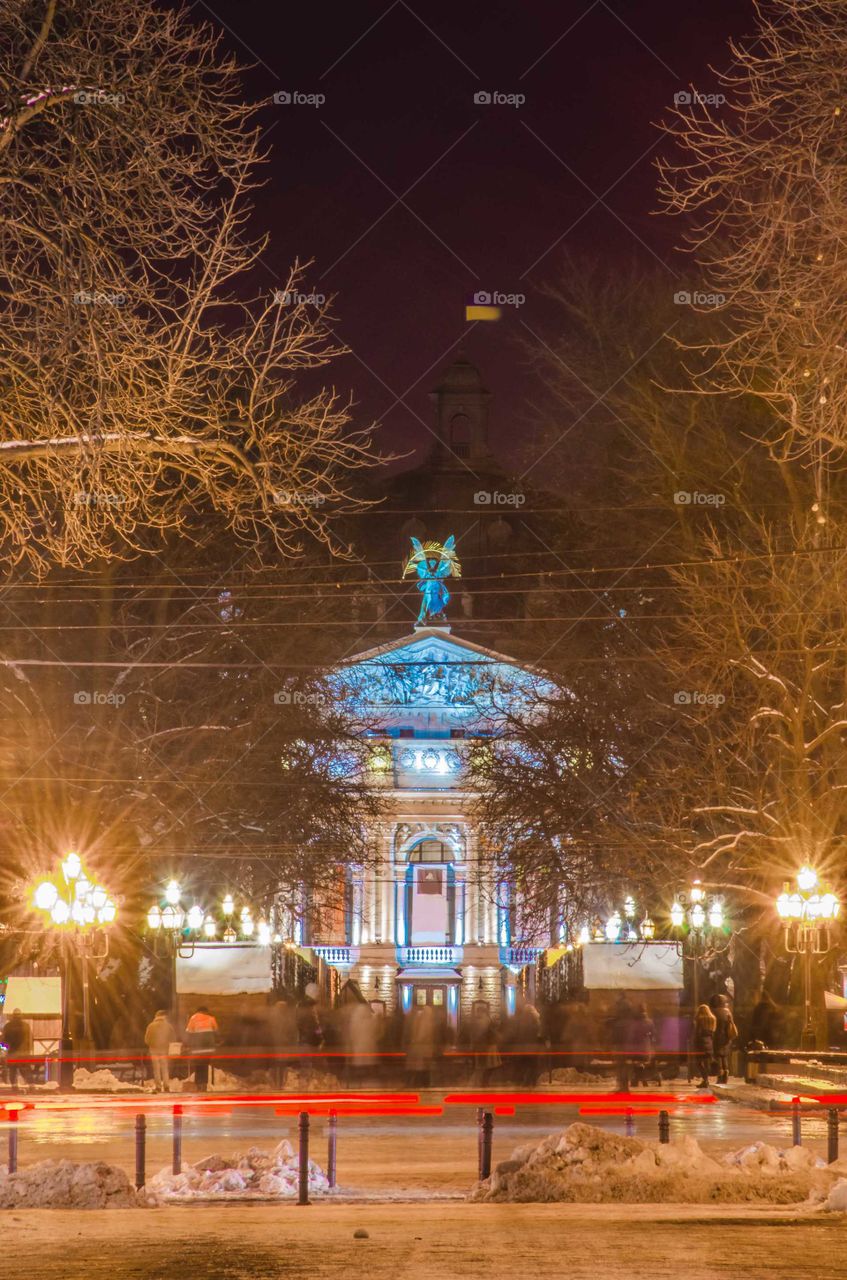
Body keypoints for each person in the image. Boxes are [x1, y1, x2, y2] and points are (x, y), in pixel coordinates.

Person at [185, 1005, 219, 1092]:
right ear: (206, 1011)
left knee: (198, 1066)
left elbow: (188, 1033)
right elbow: (216, 1032)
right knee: (205, 1066)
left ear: (198, 1011)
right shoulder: (211, 1018)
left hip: (197, 1048)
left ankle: (198, 1085)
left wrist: (187, 1045)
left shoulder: (193, 1018)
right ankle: (204, 1085)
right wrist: (216, 1043)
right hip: (208, 1048)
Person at [609, 994, 635, 1092]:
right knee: (624, 1067)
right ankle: (624, 1087)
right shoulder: (629, 1021)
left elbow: (616, 1036)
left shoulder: (620, 1023)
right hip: (627, 1047)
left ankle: (622, 1087)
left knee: (621, 1067)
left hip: (620, 1046)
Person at [144, 1009, 175, 1092]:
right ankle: (166, 1086)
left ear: (156, 1016)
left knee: (156, 1069)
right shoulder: (168, 1026)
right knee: (165, 1068)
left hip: (154, 1050)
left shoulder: (151, 1026)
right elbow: (173, 1038)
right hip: (164, 1050)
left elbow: (146, 1040)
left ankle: (158, 1086)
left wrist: (152, 1044)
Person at [710, 994, 738, 1084]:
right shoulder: (727, 1012)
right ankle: (725, 1074)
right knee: (724, 1056)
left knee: (718, 1056)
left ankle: (720, 1075)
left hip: (717, 1037)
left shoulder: (714, 1012)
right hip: (726, 1038)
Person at [1, 1009, 32, 1091]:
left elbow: (4, 1040)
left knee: (13, 1070)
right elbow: (30, 1039)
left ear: (13, 1015)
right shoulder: (26, 1025)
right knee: (25, 1070)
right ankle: (31, 1085)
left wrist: (3, 1051)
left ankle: (14, 1086)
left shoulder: (8, 1026)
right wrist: (30, 1050)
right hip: (24, 1052)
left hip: (12, 1052)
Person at [629, 1003, 657, 1086]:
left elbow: (631, 1034)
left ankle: (636, 1080)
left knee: (636, 1063)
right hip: (645, 1045)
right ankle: (643, 1079)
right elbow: (653, 1034)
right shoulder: (649, 1021)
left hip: (636, 1046)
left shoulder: (635, 1022)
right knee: (643, 1062)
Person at [693, 1003, 717, 1088]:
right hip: (709, 1043)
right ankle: (706, 1081)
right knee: (707, 1063)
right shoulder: (712, 1019)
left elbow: (697, 1033)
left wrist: (694, 1042)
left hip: (700, 1044)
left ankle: (705, 1080)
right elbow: (713, 1033)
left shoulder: (699, 1019)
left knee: (699, 1063)